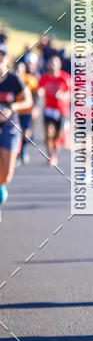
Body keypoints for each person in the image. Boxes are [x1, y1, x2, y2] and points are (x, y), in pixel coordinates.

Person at [0, 44, 32, 221]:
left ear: (7, 59)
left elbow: (28, 101)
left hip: (10, 128)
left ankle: (1, 185)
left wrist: (11, 108)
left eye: (2, 55)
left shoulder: (14, 79)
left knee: (6, 174)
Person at [38, 55, 72, 166]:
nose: (52, 65)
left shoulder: (65, 78)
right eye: (51, 63)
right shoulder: (44, 78)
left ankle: (56, 143)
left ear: (59, 65)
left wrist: (64, 95)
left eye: (55, 63)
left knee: (58, 134)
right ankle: (51, 156)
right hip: (49, 109)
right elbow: (40, 89)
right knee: (48, 133)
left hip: (61, 111)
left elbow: (72, 93)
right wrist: (40, 92)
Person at [15, 58, 39, 165]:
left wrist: (35, 107)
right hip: (15, 112)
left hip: (26, 111)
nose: (18, 72)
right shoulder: (10, 79)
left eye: (20, 70)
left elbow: (35, 94)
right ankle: (17, 153)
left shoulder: (30, 80)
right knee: (16, 132)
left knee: (25, 133)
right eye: (17, 69)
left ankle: (23, 149)